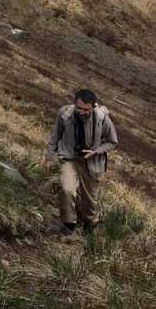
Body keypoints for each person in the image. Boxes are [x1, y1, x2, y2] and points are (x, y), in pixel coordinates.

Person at [46, 89, 119, 238]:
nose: (82, 112)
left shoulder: (102, 119)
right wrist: (50, 157)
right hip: (69, 158)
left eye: (86, 109)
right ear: (75, 103)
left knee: (90, 198)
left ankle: (89, 223)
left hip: (92, 162)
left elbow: (112, 142)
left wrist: (96, 151)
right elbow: (55, 136)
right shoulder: (64, 114)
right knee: (67, 189)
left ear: (93, 106)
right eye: (79, 108)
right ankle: (69, 224)